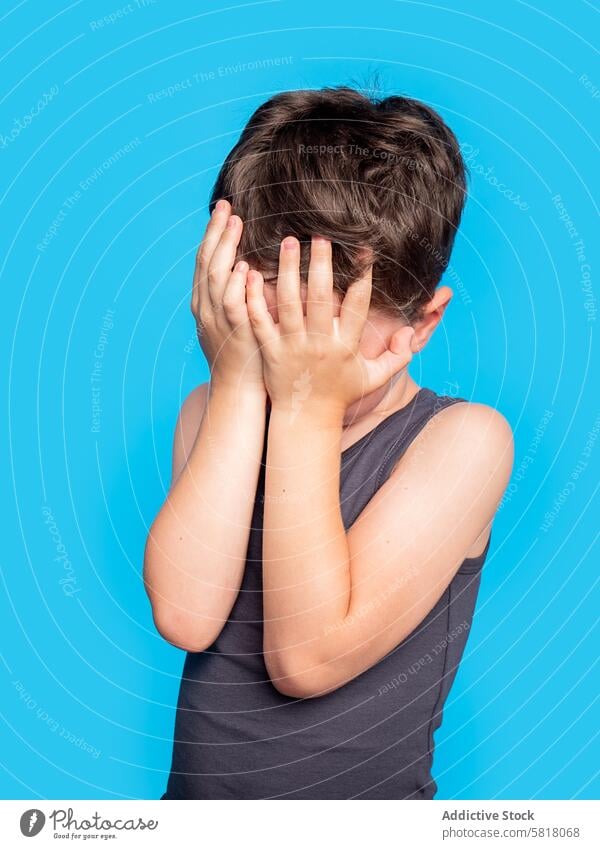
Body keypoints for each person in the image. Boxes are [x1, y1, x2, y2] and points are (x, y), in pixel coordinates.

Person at [144, 86, 514, 799]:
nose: (297, 356)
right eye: (273, 319)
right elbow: (186, 616)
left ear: (423, 323)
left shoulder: (462, 443)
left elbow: (306, 656)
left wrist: (309, 412)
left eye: (331, 331)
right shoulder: (216, 410)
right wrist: (237, 388)